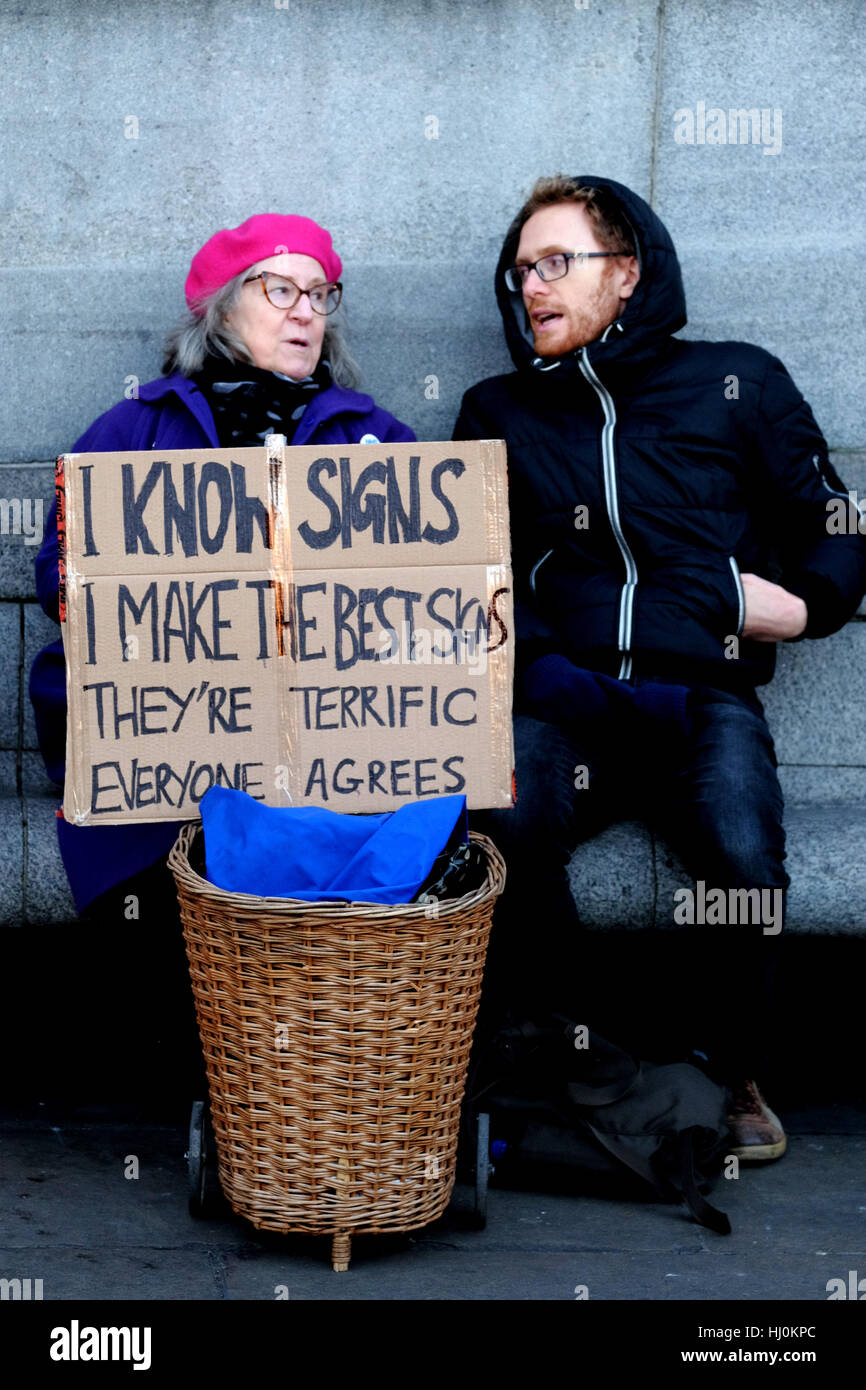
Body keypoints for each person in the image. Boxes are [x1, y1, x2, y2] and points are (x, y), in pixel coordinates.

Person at [455, 175, 866, 1162]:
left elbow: (839, 526)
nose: (532, 288)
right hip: (562, 700)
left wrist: (802, 602)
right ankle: (565, 1059)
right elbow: (465, 579)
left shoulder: (737, 381)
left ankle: (724, 1076)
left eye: (557, 262)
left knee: (736, 849)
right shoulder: (495, 410)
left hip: (698, 698)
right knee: (496, 818)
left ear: (627, 273)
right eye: (520, 273)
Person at [29, 215, 415, 1085]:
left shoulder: (373, 438)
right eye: (279, 289)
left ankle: (305, 1074)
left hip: (320, 733)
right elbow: (65, 572)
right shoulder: (136, 429)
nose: (305, 312)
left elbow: (423, 592)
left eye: (320, 295)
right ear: (219, 307)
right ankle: (226, 1072)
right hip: (173, 736)